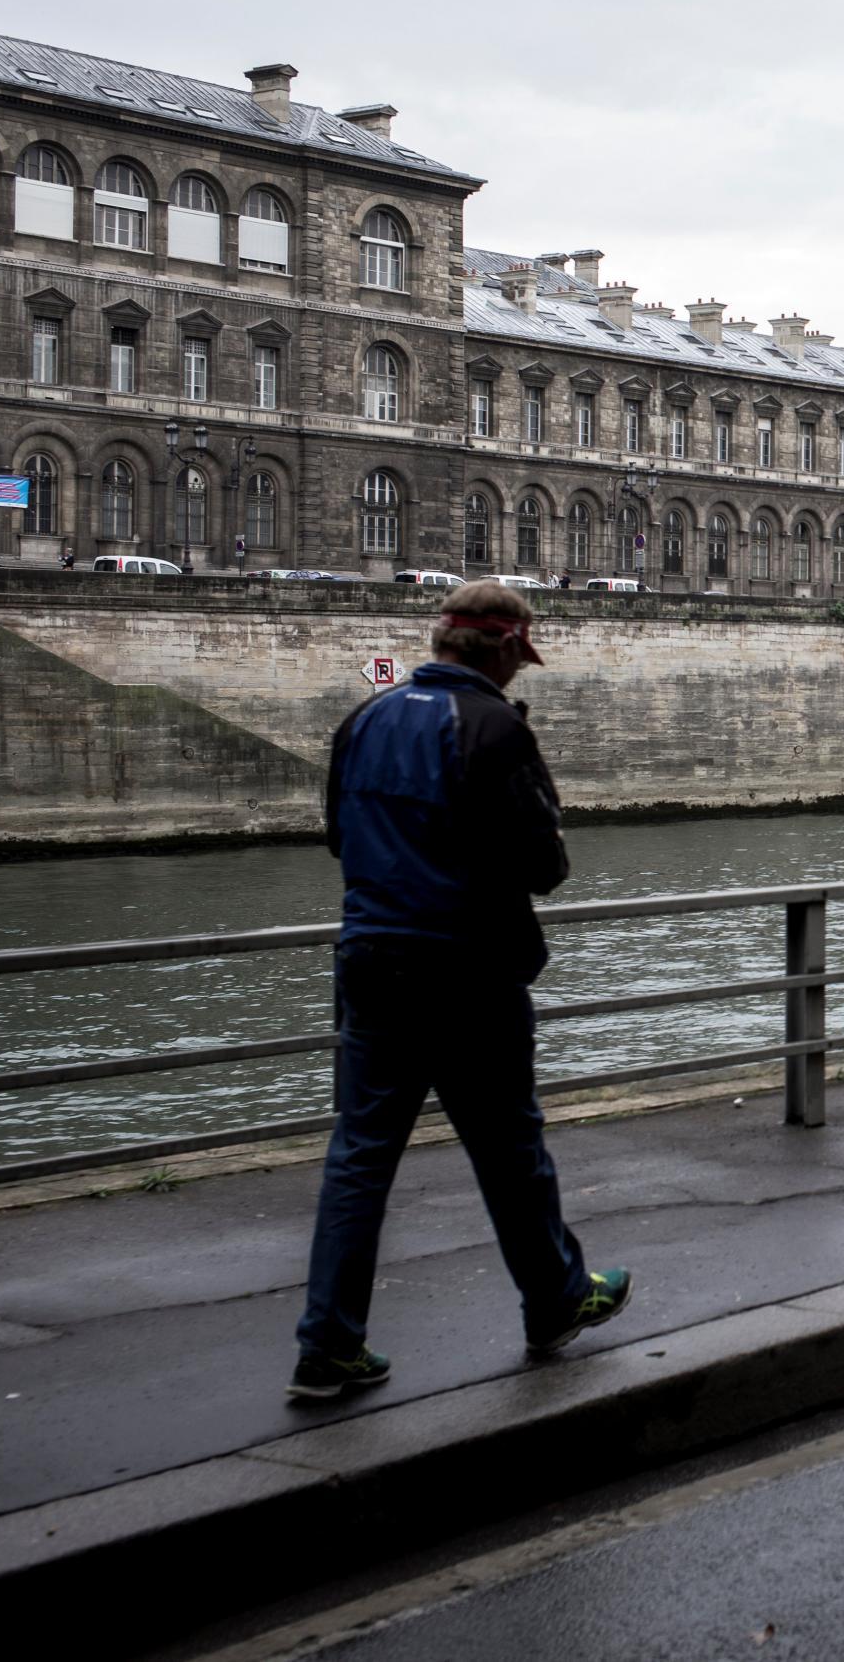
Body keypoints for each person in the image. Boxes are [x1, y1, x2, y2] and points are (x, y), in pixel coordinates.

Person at [290, 582, 630, 1401]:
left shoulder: (363, 719)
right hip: (469, 966)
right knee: (510, 1148)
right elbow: (543, 867)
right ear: (508, 649)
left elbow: (339, 835)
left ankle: (328, 1345)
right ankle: (553, 1298)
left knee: (360, 1156)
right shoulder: (494, 728)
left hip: (371, 957)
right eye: (523, 654)